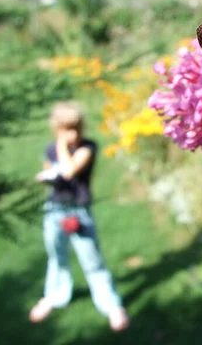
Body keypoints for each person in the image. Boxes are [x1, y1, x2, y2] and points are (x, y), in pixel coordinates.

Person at [29, 101, 129, 332]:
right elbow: (52, 175)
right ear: (56, 128)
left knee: (92, 260)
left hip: (78, 212)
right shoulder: (49, 150)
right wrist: (45, 176)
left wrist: (62, 146)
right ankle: (53, 296)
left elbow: (69, 170)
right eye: (66, 129)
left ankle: (111, 305)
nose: (72, 134)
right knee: (56, 257)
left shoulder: (88, 147)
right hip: (54, 210)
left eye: (76, 128)